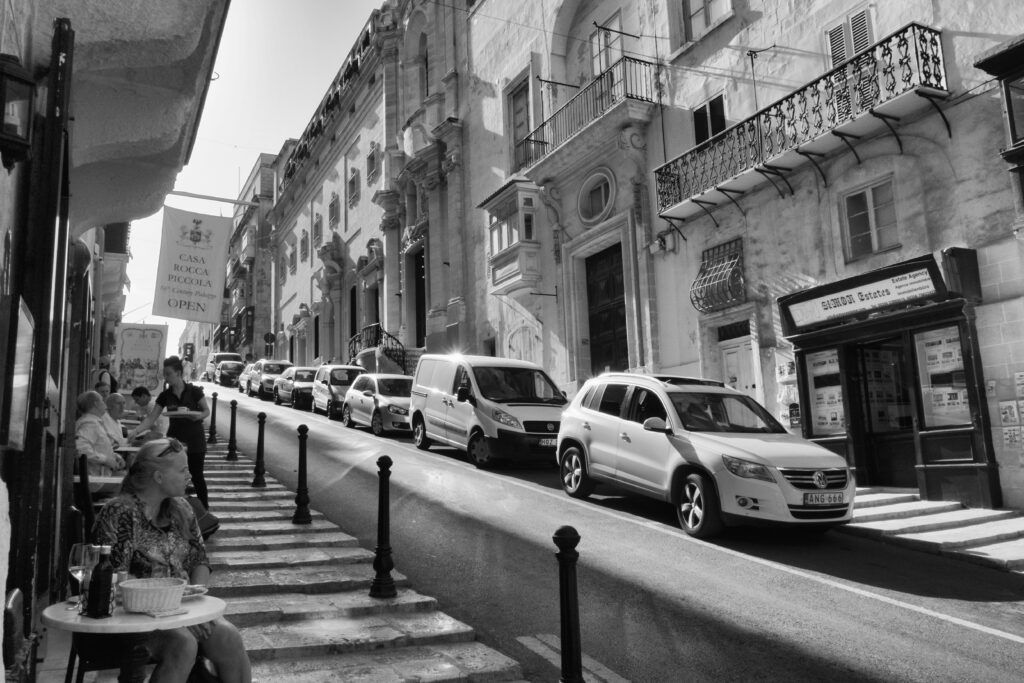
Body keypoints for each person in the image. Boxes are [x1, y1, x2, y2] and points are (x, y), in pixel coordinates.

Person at [93, 438, 252, 683]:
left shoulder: (182, 508)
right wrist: (176, 614)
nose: (189, 475)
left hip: (182, 607)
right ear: (158, 477)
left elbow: (200, 559)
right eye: (182, 470)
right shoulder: (119, 512)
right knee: (183, 643)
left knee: (228, 636)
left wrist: (196, 609)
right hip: (131, 614)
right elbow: (116, 578)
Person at [129, 356, 211, 509]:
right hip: (175, 441)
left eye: (168, 374)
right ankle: (178, 510)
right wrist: (136, 431)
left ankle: (205, 510)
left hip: (195, 439)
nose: (165, 377)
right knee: (174, 476)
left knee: (197, 475)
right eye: (164, 374)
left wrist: (198, 416)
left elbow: (206, 411)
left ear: (178, 373)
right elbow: (151, 418)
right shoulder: (165, 395)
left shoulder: (194, 391)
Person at [74, 391, 125, 477]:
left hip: (102, 474)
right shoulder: (90, 424)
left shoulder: (95, 422)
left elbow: (99, 448)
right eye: (102, 400)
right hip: (95, 479)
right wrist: (106, 460)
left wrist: (116, 457)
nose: (105, 404)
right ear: (96, 404)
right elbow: (80, 449)